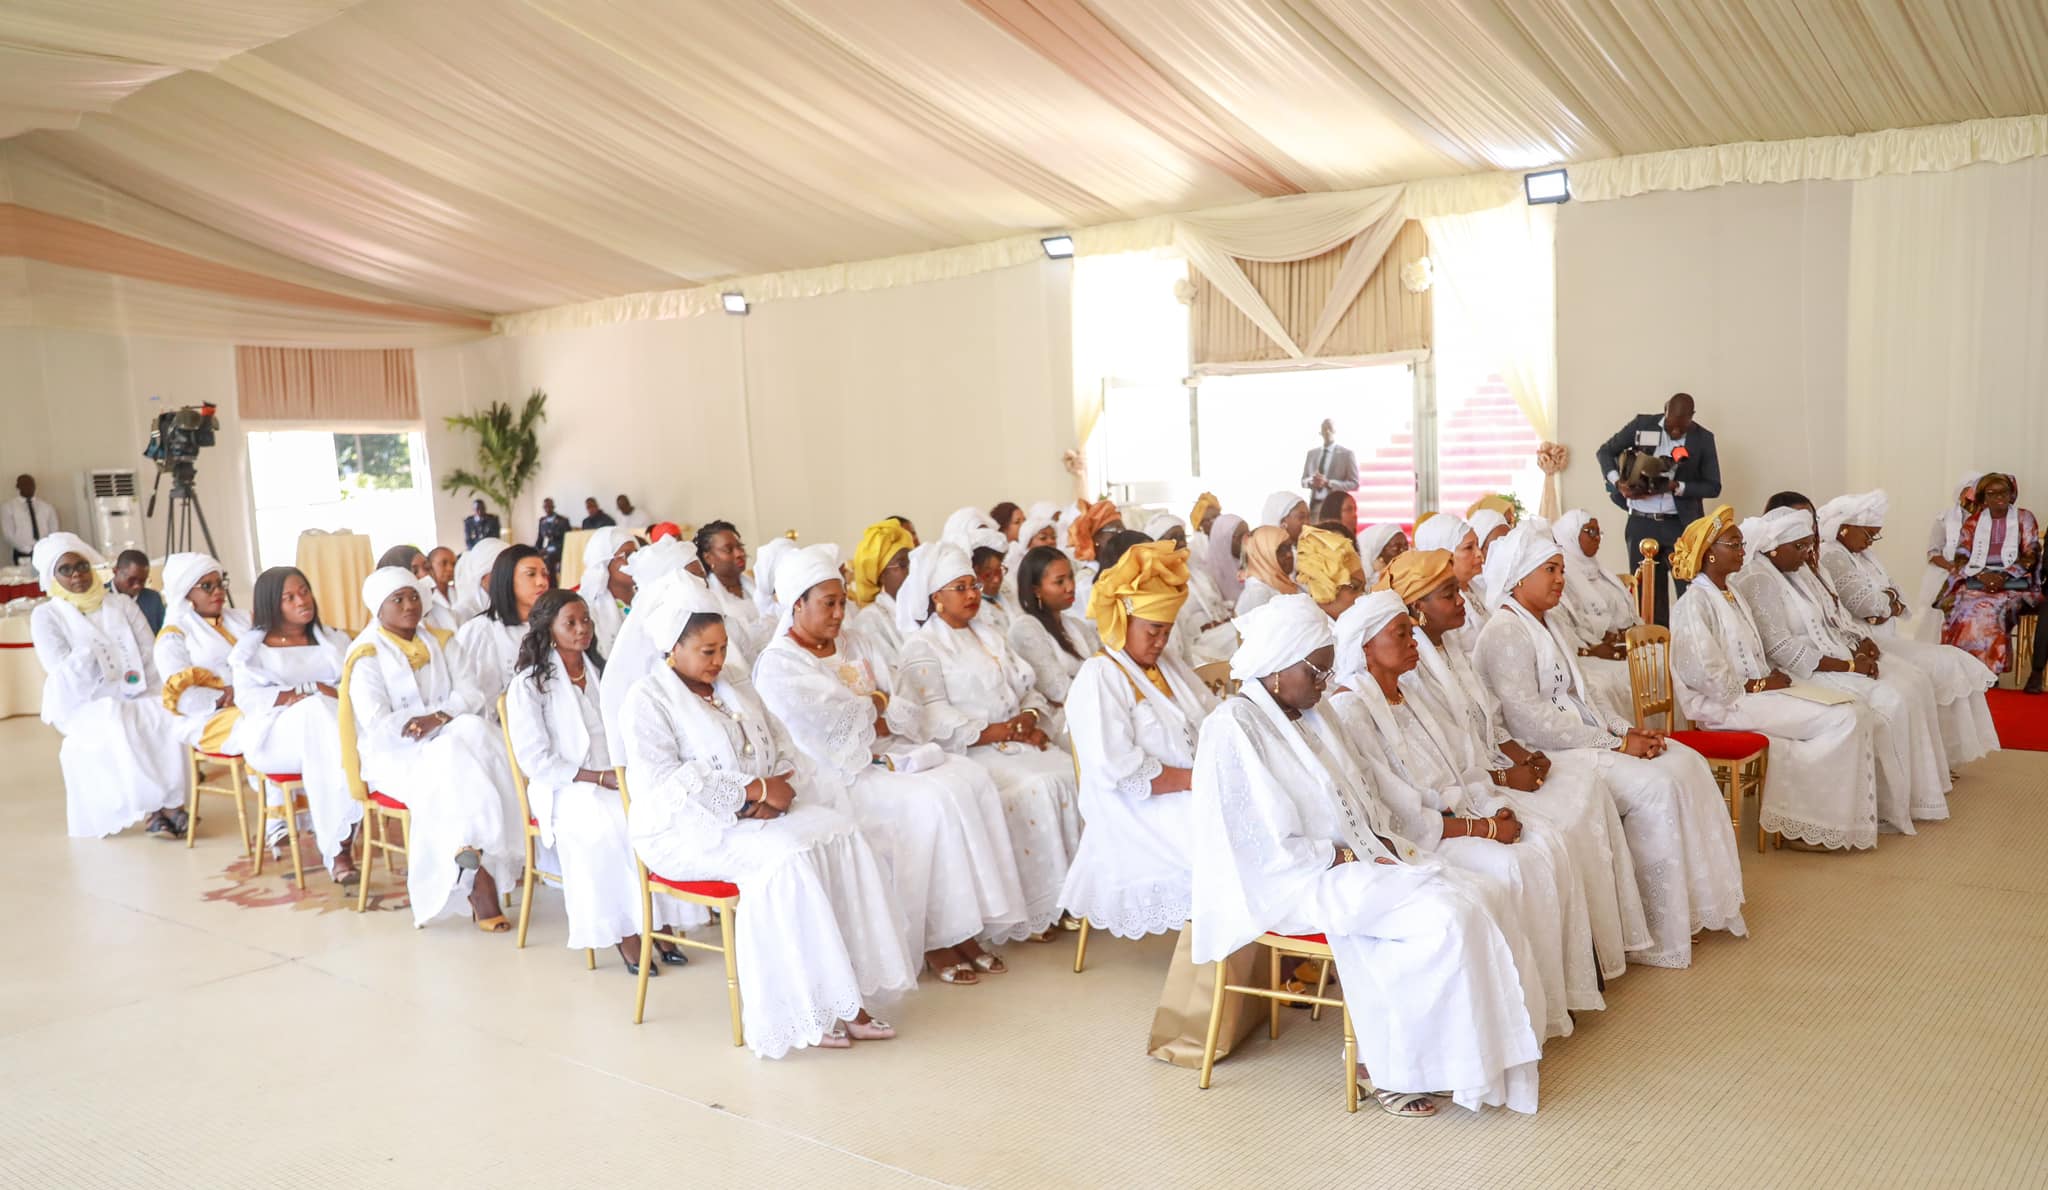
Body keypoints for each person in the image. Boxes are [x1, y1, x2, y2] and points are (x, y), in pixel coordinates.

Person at [1188, 594, 1544, 1116]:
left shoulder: (1310, 711)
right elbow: (1250, 844)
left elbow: (1364, 791)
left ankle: (1456, 1061)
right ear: (1277, 667)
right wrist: (1341, 858)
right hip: (1294, 878)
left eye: (1328, 671)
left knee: (1479, 893)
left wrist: (1384, 843)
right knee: (1442, 918)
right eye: (1317, 671)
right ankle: (1389, 1069)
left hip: (1351, 858)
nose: (1325, 684)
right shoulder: (1232, 729)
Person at [620, 581, 916, 1054]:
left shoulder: (733, 683)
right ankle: (806, 1012)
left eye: (722, 649)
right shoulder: (648, 699)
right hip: (682, 832)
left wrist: (777, 786)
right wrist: (751, 791)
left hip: (753, 814)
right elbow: (664, 782)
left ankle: (847, 996)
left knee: (839, 832)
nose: (717, 661)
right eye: (705, 651)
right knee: (789, 858)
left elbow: (781, 743)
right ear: (673, 649)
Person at [1471, 521, 1747, 969]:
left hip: (1585, 741)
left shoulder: (1548, 623)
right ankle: (1658, 930)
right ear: (1520, 576)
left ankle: (1695, 909)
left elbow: (1586, 694)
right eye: (1551, 570)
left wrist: (1627, 732)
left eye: (1562, 569)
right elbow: (1530, 720)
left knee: (1687, 763)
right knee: (1654, 788)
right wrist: (1614, 745)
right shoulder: (1505, 631)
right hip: (1548, 754)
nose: (1562, 579)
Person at [752, 544, 1031, 984]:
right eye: (829, 603)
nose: (840, 613)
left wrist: (874, 706)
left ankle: (964, 926)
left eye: (842, 601)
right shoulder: (780, 663)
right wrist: (873, 706)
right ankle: (935, 938)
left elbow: (902, 698)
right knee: (931, 803)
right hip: (835, 773)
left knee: (971, 779)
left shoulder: (855, 641)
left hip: (891, 750)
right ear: (797, 604)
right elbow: (824, 731)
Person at [1379, 549, 1647, 984]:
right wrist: (1505, 777)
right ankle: (1558, 974)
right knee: (1555, 834)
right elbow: (1446, 760)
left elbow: (1491, 719)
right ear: (1416, 610)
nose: (1463, 599)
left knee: (1585, 789)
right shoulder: (1410, 670)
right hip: (1469, 788)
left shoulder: (1451, 651)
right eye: (1449, 594)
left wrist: (1523, 756)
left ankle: (1593, 946)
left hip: (1494, 769)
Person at [1330, 589, 1588, 1036]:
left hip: (1463, 817)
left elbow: (1460, 765)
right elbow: (1395, 814)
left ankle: (1547, 998)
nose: (1414, 642)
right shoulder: (1351, 709)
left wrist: (1493, 806)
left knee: (1547, 844)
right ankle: (1510, 1019)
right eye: (1401, 634)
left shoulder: (1406, 692)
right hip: (1422, 841)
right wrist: (1480, 827)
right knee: (1514, 867)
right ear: (1366, 646)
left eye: (1412, 632)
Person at [894, 542, 1084, 941]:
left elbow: (1027, 685)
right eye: (960, 587)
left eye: (974, 587)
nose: (971, 595)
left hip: (1014, 738)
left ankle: (1081, 894)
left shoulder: (989, 634)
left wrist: (1030, 719)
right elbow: (931, 714)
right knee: (1038, 786)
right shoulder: (923, 646)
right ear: (936, 598)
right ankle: (1040, 907)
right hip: (968, 751)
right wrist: (996, 730)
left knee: (1071, 772)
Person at [1669, 508, 1882, 850]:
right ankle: (1808, 825)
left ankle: (1807, 819)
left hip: (1753, 695)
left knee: (1855, 711)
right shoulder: (1694, 602)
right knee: (1843, 720)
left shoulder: (1730, 593)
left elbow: (1749, 652)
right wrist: (1756, 685)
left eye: (1741, 544)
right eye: (1734, 544)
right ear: (1709, 551)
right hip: (1724, 704)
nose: (1743, 551)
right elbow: (1700, 669)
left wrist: (1764, 679)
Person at [505, 589, 693, 973]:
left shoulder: (603, 671)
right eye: (570, 623)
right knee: (610, 826)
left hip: (618, 775)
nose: (582, 629)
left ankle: (661, 922)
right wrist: (596, 777)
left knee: (660, 814)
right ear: (549, 629)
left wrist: (624, 772)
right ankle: (626, 934)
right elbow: (535, 759)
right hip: (565, 785)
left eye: (586, 620)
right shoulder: (529, 684)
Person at [1734, 506, 1950, 829]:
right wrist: (1848, 665)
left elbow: (1832, 620)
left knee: (1908, 687)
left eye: (1809, 544)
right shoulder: (1757, 579)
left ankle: (1900, 798)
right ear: (1774, 547)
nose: (1808, 553)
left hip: (1831, 660)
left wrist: (1858, 642)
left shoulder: (1798, 571)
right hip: (1797, 673)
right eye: (1800, 546)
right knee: (1889, 701)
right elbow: (1780, 647)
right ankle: (1879, 806)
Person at [339, 567, 522, 931]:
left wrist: (438, 717)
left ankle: (471, 846)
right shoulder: (365, 655)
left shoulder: (441, 639)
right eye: (398, 599)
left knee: (473, 730)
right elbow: (379, 722)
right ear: (379, 608)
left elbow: (471, 694)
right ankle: (481, 876)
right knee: (454, 752)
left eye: (413, 596)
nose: (410, 605)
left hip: (450, 734)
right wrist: (435, 720)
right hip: (394, 754)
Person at [1060, 540, 1215, 940]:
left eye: (1166, 631)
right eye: (1153, 630)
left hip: (1191, 786)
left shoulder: (1169, 666)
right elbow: (1118, 769)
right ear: (1122, 622)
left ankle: (1262, 949)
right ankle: (1232, 953)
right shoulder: (1099, 677)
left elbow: (1210, 715)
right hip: (1138, 806)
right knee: (1227, 840)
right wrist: (1194, 779)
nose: (1162, 641)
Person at [29, 533, 187, 839]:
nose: (77, 574)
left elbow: (148, 650)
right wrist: (97, 654)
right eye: (66, 569)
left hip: (138, 685)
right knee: (118, 716)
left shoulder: (121, 603)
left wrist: (143, 685)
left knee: (163, 711)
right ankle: (151, 810)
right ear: (52, 577)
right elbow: (60, 669)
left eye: (82, 565)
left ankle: (172, 804)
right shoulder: (46, 615)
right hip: (83, 700)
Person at [1820, 490, 1999, 756]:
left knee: (1953, 660)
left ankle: (1945, 756)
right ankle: (1937, 756)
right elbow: (1866, 606)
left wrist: (1886, 604)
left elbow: (1897, 595)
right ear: (1845, 528)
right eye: (1868, 534)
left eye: (1875, 535)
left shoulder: (1863, 556)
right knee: (1940, 665)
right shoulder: (1832, 555)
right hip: (1866, 640)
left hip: (1887, 634)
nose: (1871, 542)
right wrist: (1884, 605)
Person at [230, 566, 363, 883]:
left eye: (304, 591)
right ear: (271, 605)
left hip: (332, 728)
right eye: (289, 597)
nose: (302, 601)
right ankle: (339, 847)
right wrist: (308, 692)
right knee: (315, 713)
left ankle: (339, 841)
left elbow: (356, 687)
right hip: (274, 738)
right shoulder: (252, 651)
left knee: (322, 724)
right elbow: (248, 700)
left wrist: (316, 693)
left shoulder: (334, 640)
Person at [1595, 393, 1721, 626]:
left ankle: (1691, 646)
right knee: (1647, 595)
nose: (1675, 433)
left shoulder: (1703, 438)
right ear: (1665, 410)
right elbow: (1604, 452)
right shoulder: (1642, 425)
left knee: (1690, 592)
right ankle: (1655, 647)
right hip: (1642, 523)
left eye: (1681, 429)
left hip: (1681, 525)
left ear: (1692, 417)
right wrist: (1618, 483)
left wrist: (1676, 487)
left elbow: (1713, 486)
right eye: (1672, 426)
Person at [1939, 472, 2043, 686]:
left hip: (2015, 583)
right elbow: (1961, 555)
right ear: (1983, 498)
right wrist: (1981, 574)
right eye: (1992, 493)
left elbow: (2032, 553)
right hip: (1979, 579)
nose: (1999, 498)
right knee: (1963, 607)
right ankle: (1964, 671)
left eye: (2003, 492)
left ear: (2011, 494)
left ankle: (1989, 673)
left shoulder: (2025, 518)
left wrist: (2004, 575)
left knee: (1987, 609)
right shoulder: (1974, 522)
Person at [153, 554, 250, 767]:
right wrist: (230, 695)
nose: (218, 591)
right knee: (264, 726)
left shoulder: (242, 619)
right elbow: (183, 698)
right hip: (206, 720)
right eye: (207, 586)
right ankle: (275, 798)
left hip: (254, 701)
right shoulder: (174, 636)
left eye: (220, 583)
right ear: (185, 592)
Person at [1546, 511, 1641, 726]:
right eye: (1590, 532)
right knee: (1627, 677)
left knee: (1659, 661)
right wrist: (1599, 642)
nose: (1597, 538)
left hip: (1619, 644)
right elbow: (1571, 623)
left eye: (1599, 532)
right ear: (1570, 535)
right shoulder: (1564, 577)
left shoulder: (1599, 570)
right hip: (1590, 650)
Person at [1008, 545, 1100, 741]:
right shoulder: (1026, 629)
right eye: (1059, 582)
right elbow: (1059, 690)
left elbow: (1105, 670)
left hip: (1094, 708)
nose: (1070, 587)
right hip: (1061, 723)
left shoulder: (1076, 625)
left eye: (1071, 577)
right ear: (1036, 590)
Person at [453, 544, 553, 705]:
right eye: (531, 574)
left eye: (544, 574)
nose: (542, 582)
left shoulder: (552, 625)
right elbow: (473, 695)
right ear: (507, 579)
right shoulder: (479, 631)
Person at [1142, 513, 1236, 666]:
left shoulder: (1196, 571)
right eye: (1172, 538)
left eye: (1182, 538)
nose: (1180, 543)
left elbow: (1217, 604)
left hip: (1217, 633)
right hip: (1193, 646)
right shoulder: (1156, 582)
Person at [1916, 473, 1980, 643]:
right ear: (1960, 493)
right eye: (1968, 492)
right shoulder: (1944, 518)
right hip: (1946, 571)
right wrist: (1952, 567)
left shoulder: (1986, 520)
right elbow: (1933, 552)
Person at [695, 520, 769, 660]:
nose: (739, 553)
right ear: (708, 557)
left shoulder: (756, 585)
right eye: (728, 549)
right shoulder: (708, 597)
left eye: (740, 547)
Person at [848, 518, 916, 663]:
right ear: (881, 574)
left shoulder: (922, 608)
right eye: (903, 564)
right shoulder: (869, 621)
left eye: (913, 562)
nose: (911, 570)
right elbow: (888, 676)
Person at [575, 525, 639, 657]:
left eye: (637, 553)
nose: (636, 560)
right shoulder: (588, 608)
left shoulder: (646, 597)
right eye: (628, 555)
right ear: (604, 563)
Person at [1296, 526, 1366, 619]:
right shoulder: (1306, 630)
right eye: (1354, 588)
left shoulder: (1353, 626)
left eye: (1363, 590)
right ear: (1323, 588)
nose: (1363, 597)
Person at [1234, 524, 1298, 616]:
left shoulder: (1284, 581)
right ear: (1262, 554)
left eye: (1289, 548)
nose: (1289, 555)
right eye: (1281, 550)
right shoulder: (1257, 593)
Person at [1300, 419, 1359, 507]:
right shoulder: (1312, 454)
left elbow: (1354, 484)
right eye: (1324, 429)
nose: (1327, 431)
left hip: (1336, 506)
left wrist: (1329, 483)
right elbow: (1303, 481)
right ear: (1320, 432)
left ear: (1335, 431)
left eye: (1330, 428)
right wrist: (1312, 482)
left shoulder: (1347, 454)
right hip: (1315, 504)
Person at [3, 473, 58, 563]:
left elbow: (54, 529)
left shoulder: (46, 507)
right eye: (25, 484)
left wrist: (44, 547)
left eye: (32, 484)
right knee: (25, 576)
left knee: (45, 576)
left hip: (45, 551)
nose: (29, 487)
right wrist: (27, 549)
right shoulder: (9, 507)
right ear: (18, 486)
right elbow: (8, 533)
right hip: (22, 552)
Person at [109, 550, 165, 635]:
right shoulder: (99, 597)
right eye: (131, 580)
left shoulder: (153, 599)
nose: (137, 586)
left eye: (142, 581)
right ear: (115, 571)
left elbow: (162, 634)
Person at [453, 537, 508, 621]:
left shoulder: (507, 604)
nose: (507, 577)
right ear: (482, 575)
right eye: (501, 572)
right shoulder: (463, 611)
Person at [1206, 514, 1249, 607]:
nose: (1247, 540)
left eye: (1248, 534)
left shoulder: (1252, 565)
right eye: (1241, 536)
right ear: (1224, 540)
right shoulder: (1208, 579)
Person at [1356, 524, 1408, 588]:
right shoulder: (1359, 585)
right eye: (1396, 547)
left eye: (1406, 545)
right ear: (1378, 554)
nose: (1403, 551)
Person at [535, 498, 571, 582]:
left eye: (549, 506)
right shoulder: (542, 521)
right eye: (545, 507)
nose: (547, 509)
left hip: (559, 550)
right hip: (545, 549)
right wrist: (536, 550)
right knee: (533, 556)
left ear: (553, 506)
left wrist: (548, 549)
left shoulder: (563, 521)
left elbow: (566, 540)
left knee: (549, 558)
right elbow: (540, 538)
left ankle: (552, 586)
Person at [424, 546, 460, 623]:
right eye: (444, 563)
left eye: (453, 564)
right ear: (430, 566)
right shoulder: (427, 597)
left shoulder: (459, 592)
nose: (450, 568)